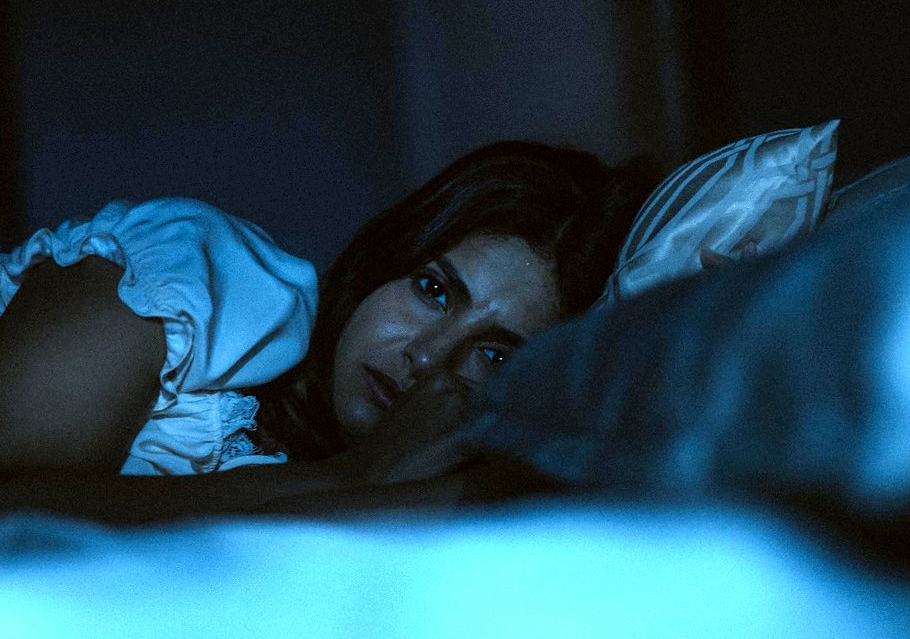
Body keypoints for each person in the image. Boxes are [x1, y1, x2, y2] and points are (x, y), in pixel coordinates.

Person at [0, 141, 656, 499]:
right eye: (432, 290)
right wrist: (346, 479)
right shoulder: (206, 279)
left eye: (496, 353)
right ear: (383, 262)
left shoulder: (444, 504)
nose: (428, 358)